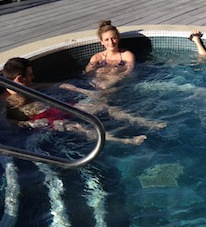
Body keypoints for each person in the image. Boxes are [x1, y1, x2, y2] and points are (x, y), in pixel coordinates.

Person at [1, 57, 150, 145]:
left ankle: (142, 121)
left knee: (102, 106)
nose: (33, 78)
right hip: (41, 120)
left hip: (56, 107)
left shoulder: (30, 86)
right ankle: (125, 141)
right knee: (79, 126)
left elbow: (58, 85)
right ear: (19, 79)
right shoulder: (4, 99)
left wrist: (84, 91)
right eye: (30, 75)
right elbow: (8, 122)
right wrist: (30, 124)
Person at [84, 20, 135, 90]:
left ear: (118, 38)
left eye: (113, 38)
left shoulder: (127, 56)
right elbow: (89, 74)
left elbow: (129, 71)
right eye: (106, 39)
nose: (111, 42)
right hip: (101, 84)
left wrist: (114, 78)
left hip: (119, 84)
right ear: (102, 42)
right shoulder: (97, 58)